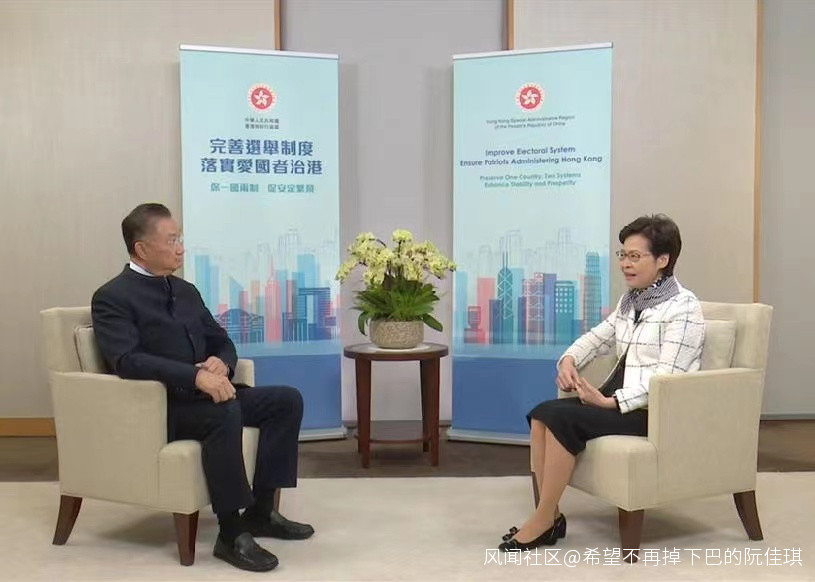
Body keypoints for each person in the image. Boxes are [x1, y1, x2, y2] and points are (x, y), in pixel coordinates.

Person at [92, 203, 313, 572]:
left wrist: (222, 363)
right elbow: (127, 360)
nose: (181, 248)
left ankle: (262, 512)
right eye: (171, 240)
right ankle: (231, 533)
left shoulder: (186, 290)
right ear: (142, 248)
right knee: (223, 412)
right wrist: (193, 376)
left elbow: (221, 340)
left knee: (285, 401)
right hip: (163, 406)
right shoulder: (112, 297)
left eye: (180, 238)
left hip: (208, 394)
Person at [499, 214, 705, 552]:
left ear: (663, 260)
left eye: (635, 256)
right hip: (620, 403)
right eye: (623, 255)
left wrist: (611, 402)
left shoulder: (683, 308)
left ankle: (542, 521)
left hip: (652, 411)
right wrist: (568, 360)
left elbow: (668, 378)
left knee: (561, 417)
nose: (625, 264)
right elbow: (596, 339)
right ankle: (549, 514)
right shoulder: (631, 300)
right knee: (541, 414)